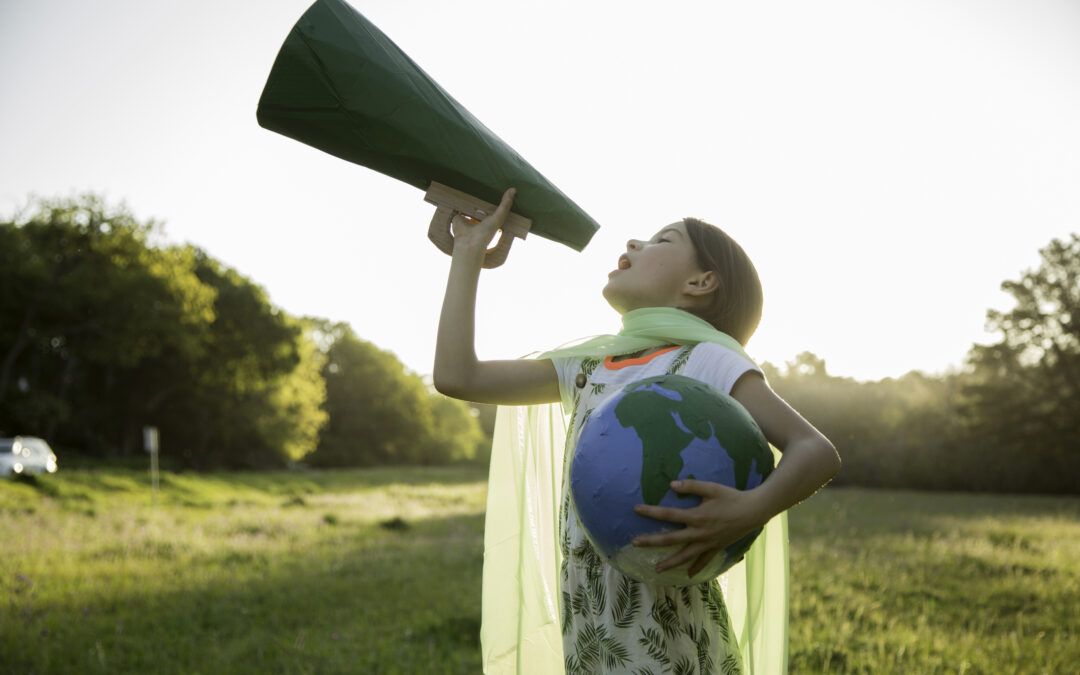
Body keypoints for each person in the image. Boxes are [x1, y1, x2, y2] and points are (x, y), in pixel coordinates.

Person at [434, 188, 841, 674]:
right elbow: (458, 376)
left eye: (661, 240)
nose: (633, 242)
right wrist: (467, 254)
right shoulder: (590, 366)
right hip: (590, 621)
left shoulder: (707, 360)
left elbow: (815, 449)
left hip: (670, 628)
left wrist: (751, 510)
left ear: (701, 281)